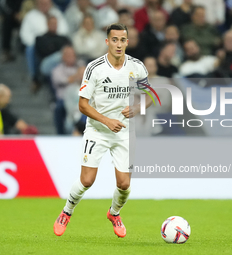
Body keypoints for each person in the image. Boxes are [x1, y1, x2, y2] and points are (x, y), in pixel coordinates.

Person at [53, 23, 153, 238]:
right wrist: (107, 121)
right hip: (98, 130)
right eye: (114, 40)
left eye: (122, 40)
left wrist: (137, 107)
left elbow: (151, 96)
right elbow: (83, 105)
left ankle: (114, 213)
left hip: (125, 132)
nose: (118, 44)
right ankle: (66, 212)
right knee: (87, 180)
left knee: (124, 184)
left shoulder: (137, 66)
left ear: (127, 42)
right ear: (107, 42)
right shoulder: (94, 68)